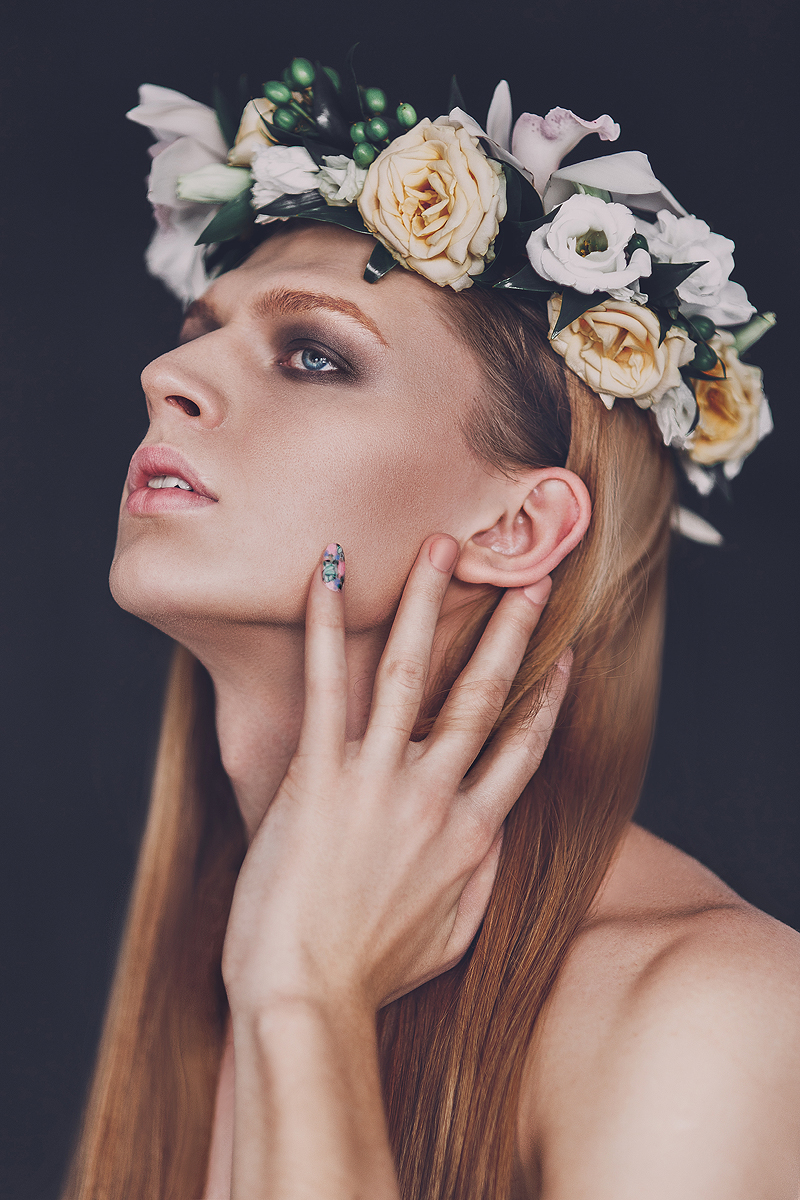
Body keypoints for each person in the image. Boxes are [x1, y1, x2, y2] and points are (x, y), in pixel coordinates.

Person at [62, 61, 800, 1200]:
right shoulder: (216, 963)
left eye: (314, 356)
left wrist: (306, 1001)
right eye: (196, 332)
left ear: (516, 526)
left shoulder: (712, 1018)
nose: (167, 374)